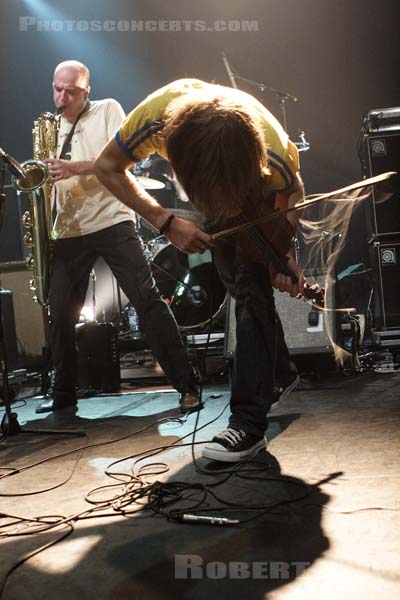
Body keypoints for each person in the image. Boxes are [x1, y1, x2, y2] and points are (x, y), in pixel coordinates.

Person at [95, 78, 304, 461]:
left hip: (248, 186)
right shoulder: (153, 120)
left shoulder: (271, 152)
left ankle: (247, 423)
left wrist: (282, 247)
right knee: (237, 284)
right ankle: (282, 372)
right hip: (205, 175)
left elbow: (292, 192)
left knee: (248, 285)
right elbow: (107, 167)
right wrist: (166, 223)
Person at [36, 62, 200, 414]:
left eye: (71, 91)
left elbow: (120, 161)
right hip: (67, 229)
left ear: (86, 91)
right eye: (57, 89)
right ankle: (63, 394)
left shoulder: (109, 109)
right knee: (60, 314)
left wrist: (74, 167)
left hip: (112, 220)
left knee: (147, 301)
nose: (61, 98)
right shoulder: (49, 127)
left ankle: (188, 385)